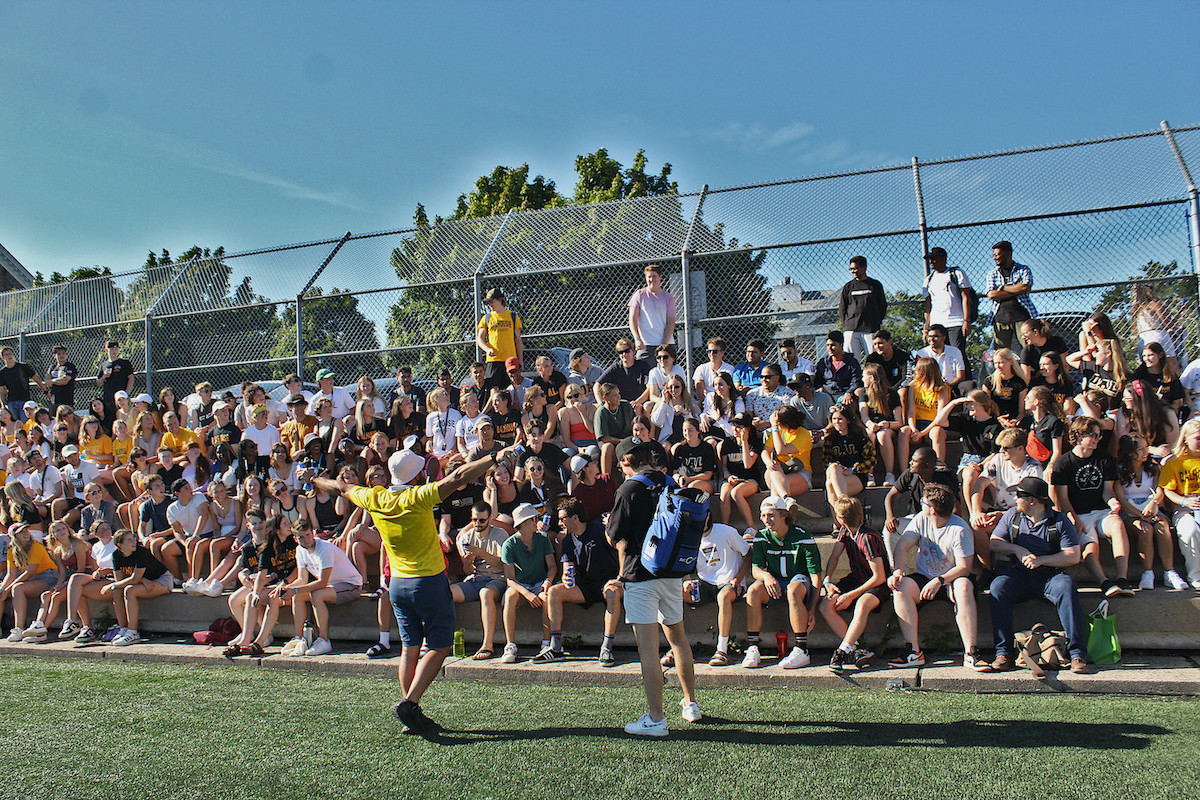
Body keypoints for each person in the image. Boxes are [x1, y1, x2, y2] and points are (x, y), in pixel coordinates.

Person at [312, 443, 517, 734]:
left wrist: (315, 480)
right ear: (416, 473)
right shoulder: (418, 496)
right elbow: (456, 479)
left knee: (409, 647)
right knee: (440, 645)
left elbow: (340, 488)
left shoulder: (375, 497)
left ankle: (410, 710)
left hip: (398, 584)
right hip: (429, 582)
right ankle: (410, 703)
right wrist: (493, 458)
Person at [607, 437, 700, 736]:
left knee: (648, 649)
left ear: (625, 462)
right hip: (672, 573)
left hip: (640, 575)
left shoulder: (628, 488)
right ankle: (691, 704)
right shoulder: (670, 481)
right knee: (679, 640)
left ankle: (657, 719)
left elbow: (614, 535)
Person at [988, 476, 1092, 674]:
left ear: (1032, 500)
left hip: (1049, 576)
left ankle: (1077, 653)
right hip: (1018, 573)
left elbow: (1073, 556)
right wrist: (1016, 549)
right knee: (998, 587)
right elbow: (994, 543)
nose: (1015, 499)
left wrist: (1042, 560)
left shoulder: (1059, 521)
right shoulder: (1012, 516)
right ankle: (1003, 653)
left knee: (1066, 586)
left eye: (1019, 496)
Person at [888, 484, 988, 671]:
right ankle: (913, 652)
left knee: (964, 586)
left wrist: (940, 580)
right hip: (924, 576)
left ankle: (971, 653)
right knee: (900, 587)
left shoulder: (960, 529)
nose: (921, 504)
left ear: (932, 509)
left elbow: (964, 568)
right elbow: (902, 547)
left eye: (923, 502)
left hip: (951, 578)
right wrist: (898, 571)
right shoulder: (921, 519)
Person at [1050, 416, 1134, 597]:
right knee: (1090, 546)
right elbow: (1062, 498)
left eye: (1099, 435)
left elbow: (1107, 492)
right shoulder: (1063, 463)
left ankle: (1122, 578)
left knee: (1117, 524)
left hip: (1102, 511)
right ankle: (1104, 582)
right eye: (1093, 435)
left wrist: (1113, 502)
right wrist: (1074, 518)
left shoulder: (1104, 459)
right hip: (1079, 513)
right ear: (1078, 436)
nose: (1097, 439)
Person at [742, 496, 823, 669]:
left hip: (798, 581)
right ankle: (753, 647)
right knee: (753, 591)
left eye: (771, 515)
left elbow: (815, 575)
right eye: (763, 516)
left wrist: (812, 608)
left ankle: (801, 649)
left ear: (784, 515)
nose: (766, 520)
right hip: (776, 583)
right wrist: (767, 577)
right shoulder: (761, 537)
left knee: (793, 590)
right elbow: (756, 569)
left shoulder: (802, 536)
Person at [541, 497, 623, 665]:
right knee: (554, 592)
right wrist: (565, 578)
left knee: (612, 592)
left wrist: (621, 578)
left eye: (563, 518)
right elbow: (567, 570)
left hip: (611, 583)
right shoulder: (567, 541)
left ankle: (606, 648)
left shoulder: (600, 529)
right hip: (587, 585)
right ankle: (556, 647)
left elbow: (622, 546)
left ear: (575, 518)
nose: (560, 523)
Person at [820, 497, 889, 672]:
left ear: (841, 518)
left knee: (862, 603)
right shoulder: (845, 531)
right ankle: (856, 648)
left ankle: (842, 651)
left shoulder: (867, 538)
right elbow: (834, 556)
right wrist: (827, 580)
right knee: (826, 605)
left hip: (876, 584)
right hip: (857, 578)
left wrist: (851, 595)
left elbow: (879, 577)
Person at [279, 518, 363, 658]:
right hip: (331, 586)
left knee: (316, 595)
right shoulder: (300, 550)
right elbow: (302, 579)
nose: (306, 540)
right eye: (301, 537)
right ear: (295, 539)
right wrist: (286, 587)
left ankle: (324, 640)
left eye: (308, 535)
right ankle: (299, 639)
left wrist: (294, 589)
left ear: (312, 533)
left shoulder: (325, 548)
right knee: (298, 596)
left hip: (351, 585)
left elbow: (322, 583)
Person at [684, 513, 751, 667]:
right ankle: (678, 647)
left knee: (724, 596)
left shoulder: (726, 532)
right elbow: (685, 565)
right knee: (674, 593)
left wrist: (739, 578)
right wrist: (685, 580)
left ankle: (721, 650)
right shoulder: (688, 537)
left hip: (729, 582)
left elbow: (748, 554)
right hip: (705, 583)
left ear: (708, 515)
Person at [969, 428, 1043, 563]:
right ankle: (988, 569)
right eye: (1000, 448)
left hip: (1024, 514)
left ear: (1020, 448)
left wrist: (1004, 515)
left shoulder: (1033, 467)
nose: (1001, 451)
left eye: (1006, 448)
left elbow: (1031, 503)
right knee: (977, 526)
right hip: (1000, 511)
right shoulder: (998, 460)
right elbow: (980, 484)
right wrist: (976, 512)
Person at [496, 503, 556, 663]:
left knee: (547, 597)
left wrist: (548, 581)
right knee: (510, 596)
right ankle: (510, 645)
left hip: (539, 583)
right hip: (521, 586)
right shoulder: (509, 544)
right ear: (522, 523)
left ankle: (546, 643)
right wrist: (527, 593)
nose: (538, 521)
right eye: (534, 519)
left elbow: (552, 567)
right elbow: (510, 578)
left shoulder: (543, 539)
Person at [450, 502, 509, 660]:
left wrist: (481, 553)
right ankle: (445, 640)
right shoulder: (467, 537)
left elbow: (503, 565)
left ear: (489, 519)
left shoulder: (500, 534)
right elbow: (467, 571)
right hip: (475, 579)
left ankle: (487, 645)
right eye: (475, 520)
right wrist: (468, 562)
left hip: (496, 579)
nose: (477, 524)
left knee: (485, 593)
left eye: (482, 520)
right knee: (446, 593)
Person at [108, 527, 173, 647]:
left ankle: (133, 633)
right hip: (144, 581)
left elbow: (133, 579)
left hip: (161, 580)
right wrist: (143, 580)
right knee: (117, 591)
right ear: (120, 545)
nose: (134, 542)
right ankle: (123, 628)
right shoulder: (116, 555)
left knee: (129, 590)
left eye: (133, 539)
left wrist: (112, 585)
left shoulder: (142, 552)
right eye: (129, 540)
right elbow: (120, 580)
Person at [1156, 418, 1200, 590]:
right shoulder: (1174, 462)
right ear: (1186, 439)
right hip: (1184, 508)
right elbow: (1167, 491)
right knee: (1190, 532)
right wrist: (1184, 501)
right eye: (1197, 438)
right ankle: (1195, 576)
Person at [1, 524, 61, 642]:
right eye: (21, 532)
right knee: (6, 590)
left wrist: (7, 589)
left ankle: (18, 628)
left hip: (48, 576)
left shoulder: (36, 546)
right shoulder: (11, 550)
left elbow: (29, 572)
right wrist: (2, 589)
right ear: (13, 536)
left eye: (26, 531)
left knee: (17, 588)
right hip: (31, 579)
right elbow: (11, 574)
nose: (26, 533)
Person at [984, 240, 1037, 353]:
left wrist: (1003, 288)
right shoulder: (992, 274)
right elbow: (992, 294)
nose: (995, 258)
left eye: (998, 255)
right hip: (1001, 318)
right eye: (994, 255)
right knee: (1001, 353)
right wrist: (1015, 289)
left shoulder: (1023, 269)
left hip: (1021, 316)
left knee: (1029, 349)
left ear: (1008, 254)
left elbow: (1025, 287)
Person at [922, 247, 972, 356]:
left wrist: (967, 320)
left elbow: (966, 297)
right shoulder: (929, 280)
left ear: (943, 258)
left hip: (955, 321)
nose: (931, 262)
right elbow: (928, 306)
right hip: (936, 323)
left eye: (934, 258)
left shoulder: (956, 273)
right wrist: (926, 328)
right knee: (939, 354)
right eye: (930, 259)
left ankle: (964, 373)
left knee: (957, 354)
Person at [823, 402, 876, 502]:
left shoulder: (860, 437)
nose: (836, 422)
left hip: (856, 477)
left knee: (830, 484)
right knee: (832, 470)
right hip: (837, 474)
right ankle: (842, 500)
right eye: (834, 419)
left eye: (840, 419)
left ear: (848, 420)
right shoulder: (829, 438)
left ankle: (841, 504)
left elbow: (871, 460)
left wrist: (852, 470)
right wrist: (840, 469)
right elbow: (826, 461)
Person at [839, 256, 887, 360]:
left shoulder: (875, 285)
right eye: (851, 269)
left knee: (874, 359)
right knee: (851, 360)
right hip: (852, 329)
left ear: (864, 267)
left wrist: (876, 322)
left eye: (855, 268)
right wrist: (847, 324)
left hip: (870, 329)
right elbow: (843, 307)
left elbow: (882, 306)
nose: (853, 271)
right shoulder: (848, 286)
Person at [477, 287, 524, 395]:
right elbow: (479, 339)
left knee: (510, 390)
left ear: (500, 300)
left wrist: (520, 360)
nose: (489, 305)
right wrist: (487, 349)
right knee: (494, 389)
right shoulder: (487, 318)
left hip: (510, 360)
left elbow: (518, 339)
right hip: (494, 360)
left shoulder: (512, 316)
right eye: (488, 303)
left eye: (492, 302)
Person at [628, 263, 675, 362]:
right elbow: (632, 319)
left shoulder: (668, 297)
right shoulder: (639, 295)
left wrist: (664, 345)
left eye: (654, 276)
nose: (651, 279)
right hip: (646, 344)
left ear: (660, 277)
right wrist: (637, 339)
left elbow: (671, 322)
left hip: (665, 343)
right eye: (649, 277)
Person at [812, 330, 862, 405]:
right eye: (827, 345)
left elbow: (856, 381)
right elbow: (818, 381)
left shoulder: (852, 362)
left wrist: (849, 392)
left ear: (841, 345)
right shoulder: (823, 362)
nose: (829, 348)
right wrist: (820, 388)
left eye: (833, 345)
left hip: (844, 394)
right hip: (826, 394)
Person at [596, 337, 651, 405]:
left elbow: (649, 388)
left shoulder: (643, 366)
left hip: (640, 403)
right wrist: (601, 403)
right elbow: (597, 385)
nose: (624, 354)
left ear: (633, 351)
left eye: (627, 351)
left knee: (639, 408)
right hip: (620, 404)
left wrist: (636, 402)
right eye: (621, 352)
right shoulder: (615, 367)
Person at [0, 346, 46, 422]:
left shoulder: (23, 367)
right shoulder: (2, 372)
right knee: (15, 424)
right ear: (2, 357)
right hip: (11, 401)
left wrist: (45, 391)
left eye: (10, 354)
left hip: (24, 400)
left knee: (25, 422)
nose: (9, 356)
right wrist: (3, 405)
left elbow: (36, 379)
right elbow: (1, 391)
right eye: (6, 355)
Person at [744, 363, 795, 431]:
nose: (764, 379)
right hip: (757, 431)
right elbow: (749, 416)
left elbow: (788, 417)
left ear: (777, 377)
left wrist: (768, 424)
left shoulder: (787, 393)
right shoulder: (752, 394)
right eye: (761, 377)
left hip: (779, 430)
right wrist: (754, 422)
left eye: (768, 377)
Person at [95, 341, 135, 416]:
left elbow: (131, 378)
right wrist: (104, 376)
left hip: (121, 397)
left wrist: (126, 393)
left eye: (116, 349)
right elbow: (98, 382)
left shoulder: (124, 363)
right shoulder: (103, 365)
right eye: (112, 349)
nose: (114, 351)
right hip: (108, 398)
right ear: (107, 350)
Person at [43, 345, 77, 414]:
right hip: (54, 400)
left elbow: (64, 381)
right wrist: (56, 380)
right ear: (54, 356)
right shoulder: (52, 367)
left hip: (67, 399)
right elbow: (46, 381)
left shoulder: (70, 366)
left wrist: (52, 381)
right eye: (59, 354)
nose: (62, 355)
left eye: (63, 353)